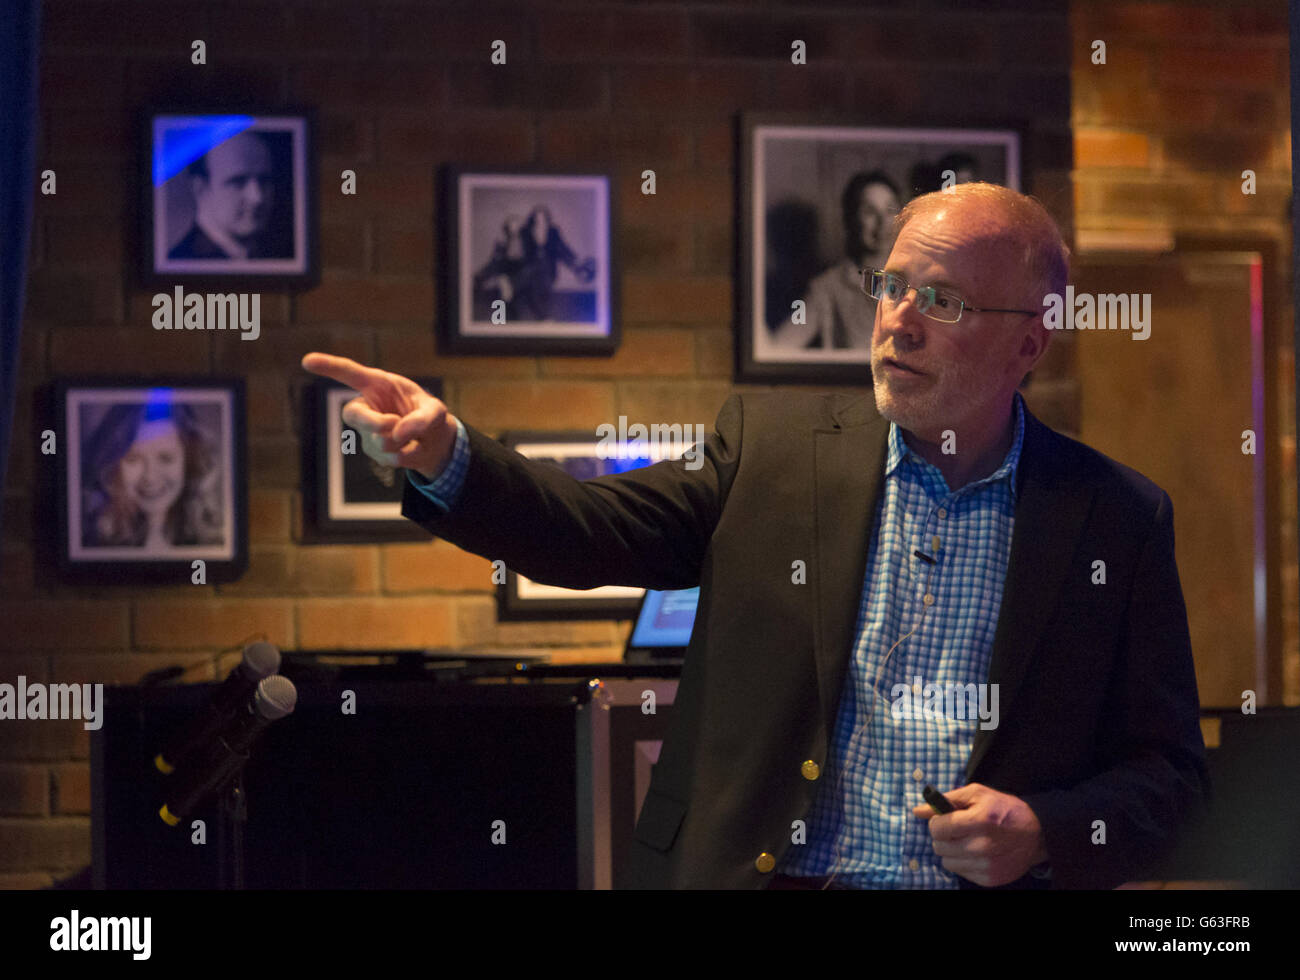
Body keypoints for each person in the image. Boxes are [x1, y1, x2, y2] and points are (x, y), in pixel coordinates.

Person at [300, 181, 1208, 889]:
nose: (899, 320)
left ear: (1030, 343)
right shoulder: (774, 452)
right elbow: (589, 530)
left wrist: (1045, 831)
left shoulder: (1116, 519)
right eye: (892, 286)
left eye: (945, 301)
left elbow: (1169, 775)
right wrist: (449, 455)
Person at [770, 171, 902, 350]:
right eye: (869, 212)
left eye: (889, 210)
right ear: (852, 219)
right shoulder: (827, 289)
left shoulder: (920, 280)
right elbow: (778, 348)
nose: (882, 222)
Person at [81, 401, 223, 549]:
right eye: (133, 459)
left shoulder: (212, 545)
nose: (150, 477)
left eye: (166, 458)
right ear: (113, 466)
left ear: (188, 462)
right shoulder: (92, 545)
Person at [168, 130, 284, 261]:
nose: (257, 197)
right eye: (238, 181)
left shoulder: (278, 255)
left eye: (264, 180)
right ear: (200, 188)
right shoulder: (182, 260)